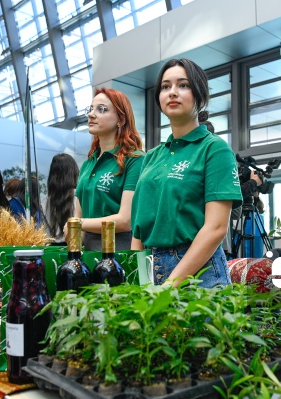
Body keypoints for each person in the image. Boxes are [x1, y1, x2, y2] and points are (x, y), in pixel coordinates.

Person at [131, 58, 242, 288]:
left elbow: (216, 228)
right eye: (165, 86)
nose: (172, 92)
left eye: (183, 85)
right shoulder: (151, 157)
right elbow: (138, 231)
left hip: (200, 274)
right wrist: (137, 279)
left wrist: (169, 287)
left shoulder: (214, 148)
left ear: (199, 96)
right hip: (150, 268)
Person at [71, 88, 145, 251]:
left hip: (119, 251)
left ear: (121, 119)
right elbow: (79, 217)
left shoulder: (135, 160)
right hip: (87, 253)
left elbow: (126, 221)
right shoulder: (88, 164)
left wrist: (77, 224)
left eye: (101, 109)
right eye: (90, 109)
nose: (91, 114)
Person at [45, 153, 79, 244]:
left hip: (52, 250)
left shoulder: (46, 202)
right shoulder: (79, 197)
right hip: (74, 248)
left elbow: (45, 233)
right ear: (74, 172)